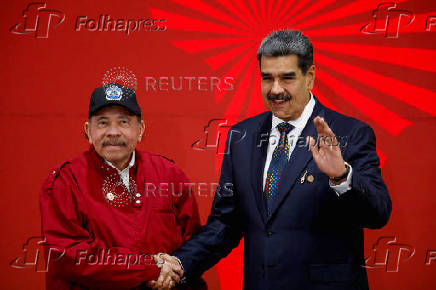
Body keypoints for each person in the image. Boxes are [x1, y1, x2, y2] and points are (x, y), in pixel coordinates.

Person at [158, 30, 392, 290]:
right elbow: (226, 222)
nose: (275, 89)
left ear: (310, 77)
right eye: (267, 78)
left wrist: (341, 176)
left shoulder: (350, 133)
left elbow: (378, 214)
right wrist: (181, 262)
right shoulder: (241, 137)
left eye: (287, 78)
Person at [39, 83, 205, 289]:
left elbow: (193, 243)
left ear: (140, 129)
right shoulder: (65, 181)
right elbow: (71, 255)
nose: (113, 132)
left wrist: (176, 269)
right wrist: (148, 267)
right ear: (88, 131)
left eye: (123, 122)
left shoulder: (169, 174)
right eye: (102, 123)